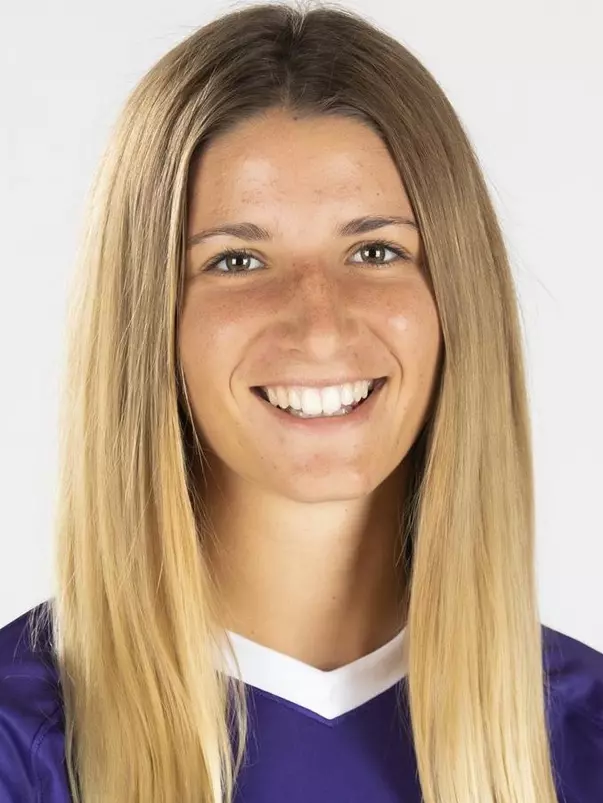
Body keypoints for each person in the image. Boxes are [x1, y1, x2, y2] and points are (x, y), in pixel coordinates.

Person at [1, 1, 602, 801]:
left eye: (375, 250)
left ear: (456, 298)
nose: (319, 326)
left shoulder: (584, 734)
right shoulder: (20, 742)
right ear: (146, 320)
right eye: (237, 260)